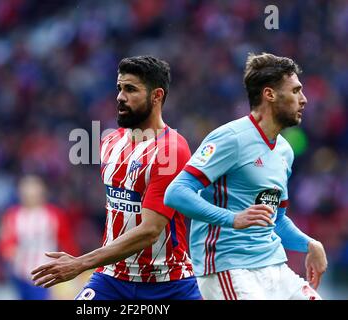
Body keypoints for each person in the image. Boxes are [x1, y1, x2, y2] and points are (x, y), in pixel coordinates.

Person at [31, 56, 201, 300]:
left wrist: (80, 263)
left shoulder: (171, 150)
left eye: (131, 89)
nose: (120, 97)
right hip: (112, 279)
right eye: (119, 88)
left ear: (157, 96)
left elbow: (151, 230)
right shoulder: (110, 142)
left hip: (168, 284)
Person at [164, 52, 328, 300]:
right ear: (269, 94)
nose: (303, 100)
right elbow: (176, 193)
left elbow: (276, 221)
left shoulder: (284, 151)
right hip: (227, 268)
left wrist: (310, 244)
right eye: (295, 91)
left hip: (273, 266)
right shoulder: (231, 138)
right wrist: (232, 219)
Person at [0, 174, 79, 300]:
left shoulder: (54, 215)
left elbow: (67, 242)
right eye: (26, 189)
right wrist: (11, 252)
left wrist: (73, 265)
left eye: (34, 189)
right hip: (19, 275)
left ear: (42, 191)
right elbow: (5, 243)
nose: (30, 193)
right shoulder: (12, 216)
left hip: (46, 273)